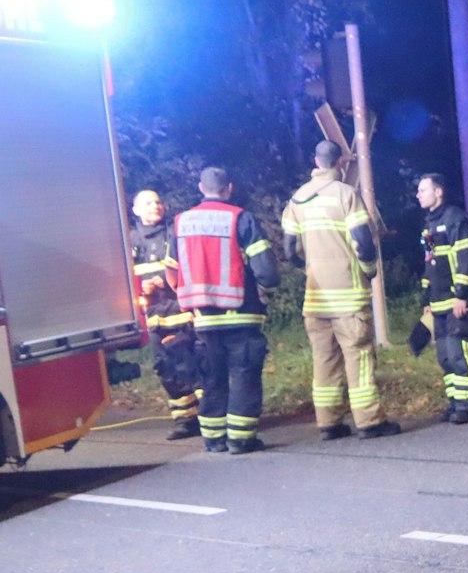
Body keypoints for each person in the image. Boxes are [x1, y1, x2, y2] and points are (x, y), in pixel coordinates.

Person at [282, 142, 399, 441]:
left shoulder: (297, 200)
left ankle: (329, 423)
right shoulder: (346, 194)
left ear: (315, 160)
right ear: (342, 162)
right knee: (358, 359)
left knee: (324, 361)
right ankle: (369, 421)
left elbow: (288, 249)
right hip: (347, 297)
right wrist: (369, 269)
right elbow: (363, 239)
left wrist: (309, 268)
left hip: (315, 299)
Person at [174, 166, 281, 454]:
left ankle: (213, 439)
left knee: (211, 378)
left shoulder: (181, 223)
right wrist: (267, 290)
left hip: (203, 320)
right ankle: (241, 439)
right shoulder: (241, 219)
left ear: (200, 187)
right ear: (229, 188)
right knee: (244, 376)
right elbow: (266, 271)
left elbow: (173, 271)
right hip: (241, 315)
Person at [129, 189, 201, 441]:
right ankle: (185, 419)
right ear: (135, 210)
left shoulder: (174, 233)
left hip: (179, 313)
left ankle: (209, 414)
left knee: (190, 364)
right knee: (165, 368)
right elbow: (124, 277)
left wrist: (165, 281)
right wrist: (141, 287)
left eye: (158, 202)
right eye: (148, 203)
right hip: (152, 316)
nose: (155, 206)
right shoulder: (130, 240)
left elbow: (190, 266)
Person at [416, 173, 468, 423]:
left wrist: (462, 295)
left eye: (423, 190)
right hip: (437, 304)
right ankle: (455, 402)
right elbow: (429, 264)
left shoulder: (458, 219)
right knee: (445, 356)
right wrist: (426, 301)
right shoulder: (428, 225)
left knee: (459, 352)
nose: (418, 195)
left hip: (457, 301)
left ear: (439, 192)